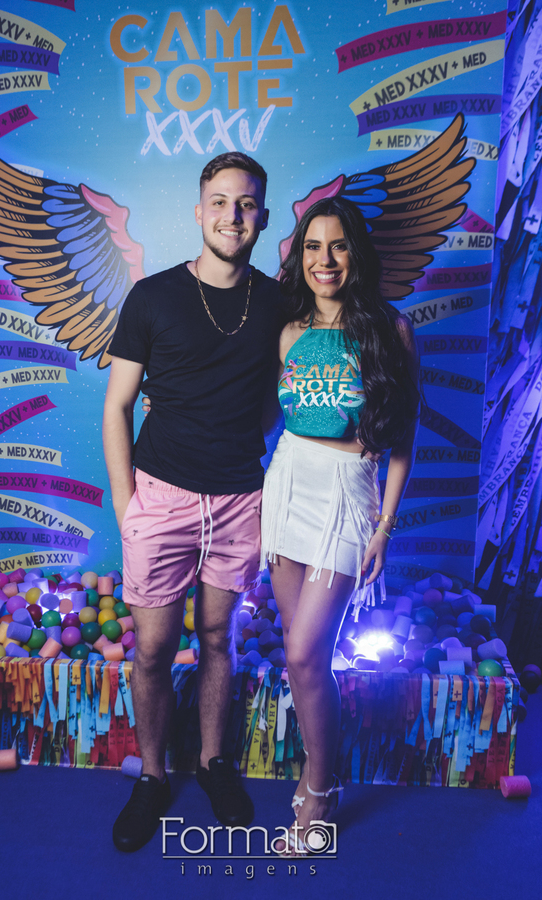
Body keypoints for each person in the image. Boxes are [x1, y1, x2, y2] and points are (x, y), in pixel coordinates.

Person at [102, 152, 284, 852]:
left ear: (262, 217)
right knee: (152, 648)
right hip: (161, 497)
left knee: (216, 637)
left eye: (246, 204)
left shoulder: (278, 303)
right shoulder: (153, 297)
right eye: (220, 202)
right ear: (199, 210)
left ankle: (212, 763)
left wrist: (240, 444)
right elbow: (118, 406)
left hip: (239, 501)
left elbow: (277, 399)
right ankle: (152, 775)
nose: (232, 216)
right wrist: (129, 506)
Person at [262, 196, 418, 847]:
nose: (324, 259)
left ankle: (320, 788)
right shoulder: (288, 331)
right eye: (312, 246)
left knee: (306, 652)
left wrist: (383, 526)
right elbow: (269, 416)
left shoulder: (391, 330)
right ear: (299, 257)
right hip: (287, 483)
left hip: (348, 494)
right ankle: (317, 770)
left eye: (338, 245)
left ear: (356, 252)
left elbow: (403, 439)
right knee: (299, 656)